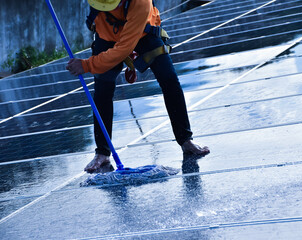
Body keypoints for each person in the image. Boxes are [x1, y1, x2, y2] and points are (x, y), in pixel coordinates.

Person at [66, 0, 210, 173]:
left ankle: (186, 141)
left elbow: (123, 49)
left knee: (169, 79)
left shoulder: (141, 2)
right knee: (102, 90)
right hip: (107, 35)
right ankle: (102, 153)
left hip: (144, 32)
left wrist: (87, 65)